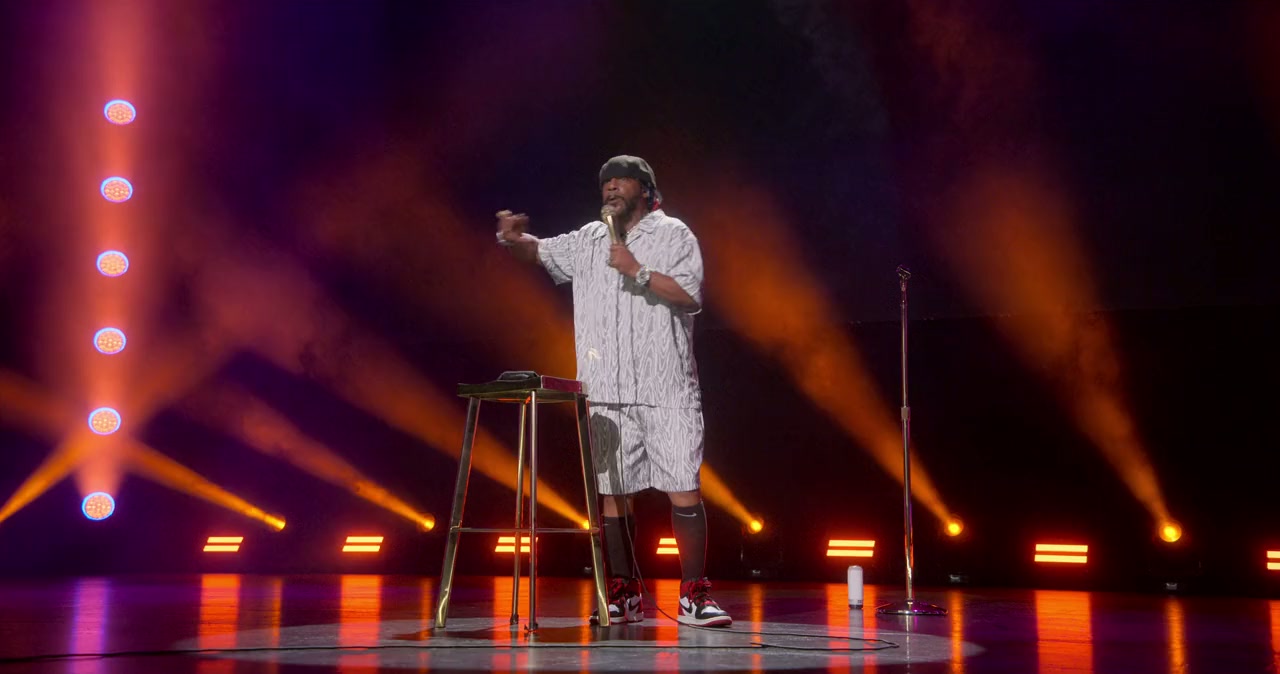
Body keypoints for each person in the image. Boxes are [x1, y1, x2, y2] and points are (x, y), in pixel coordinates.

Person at [495, 155, 731, 627]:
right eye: (606, 182)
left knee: (683, 486)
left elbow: (690, 295)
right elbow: (539, 252)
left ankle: (693, 594)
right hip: (605, 390)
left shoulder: (675, 234)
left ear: (645, 189)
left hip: (665, 385)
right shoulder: (588, 239)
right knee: (612, 491)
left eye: (622, 181)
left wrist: (638, 271)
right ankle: (624, 592)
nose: (611, 188)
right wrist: (513, 240)